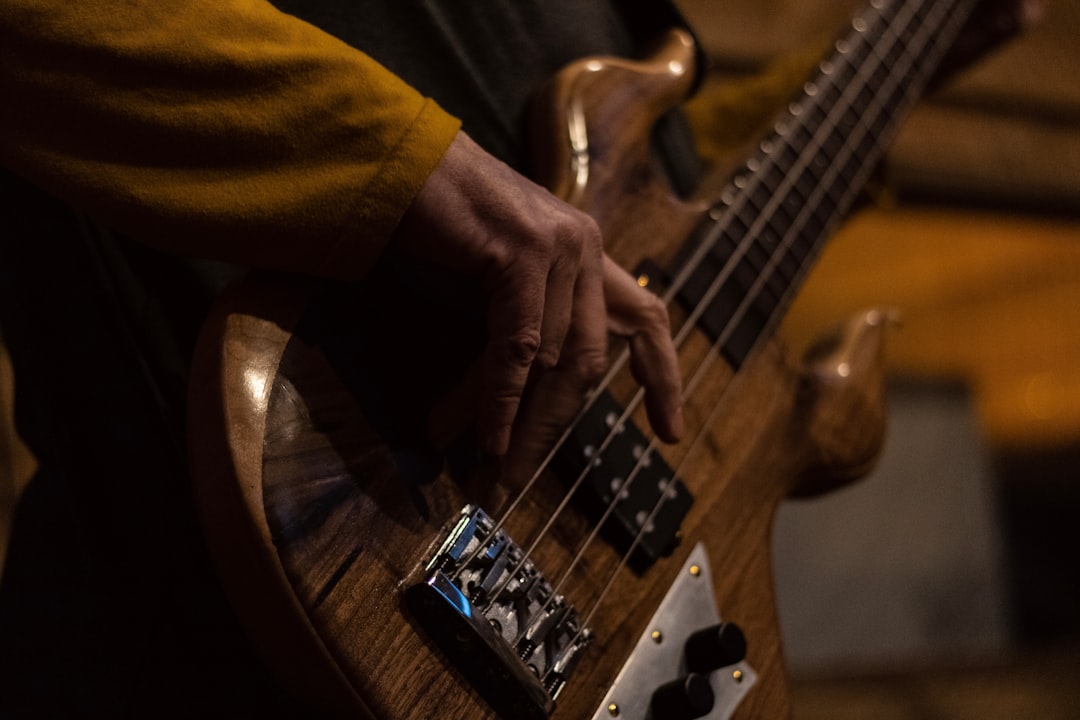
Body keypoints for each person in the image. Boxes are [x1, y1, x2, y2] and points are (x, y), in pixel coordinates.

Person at [0, 0, 1037, 716]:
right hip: (245, 565)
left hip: (558, 537)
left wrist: (884, 77)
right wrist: (414, 172)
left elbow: (642, 196)